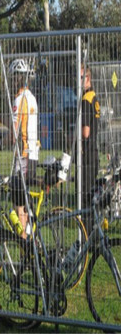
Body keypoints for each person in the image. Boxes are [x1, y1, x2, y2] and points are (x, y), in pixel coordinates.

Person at [8, 59, 39, 239]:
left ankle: (24, 241)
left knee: (18, 203)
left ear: (19, 78)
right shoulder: (32, 98)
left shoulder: (19, 100)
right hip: (33, 154)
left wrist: (0, 141)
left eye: (14, 77)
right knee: (24, 199)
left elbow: (14, 135)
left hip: (24, 156)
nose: (13, 81)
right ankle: (29, 235)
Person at [80, 65, 100, 234]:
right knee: (92, 192)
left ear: (87, 78)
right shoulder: (95, 97)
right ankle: (93, 226)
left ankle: (86, 229)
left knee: (85, 194)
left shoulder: (86, 99)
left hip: (87, 153)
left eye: (80, 78)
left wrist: (72, 137)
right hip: (95, 151)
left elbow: (85, 132)